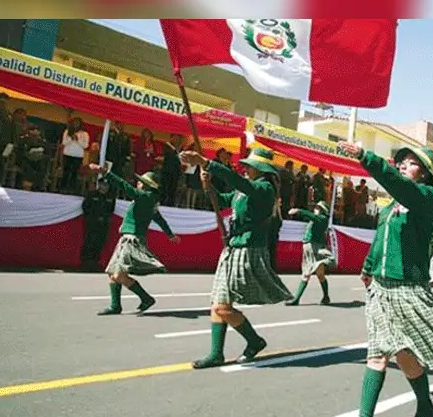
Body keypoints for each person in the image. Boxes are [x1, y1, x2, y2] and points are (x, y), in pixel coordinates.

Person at [337, 140, 433, 417]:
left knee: (404, 356)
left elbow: (401, 187)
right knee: (377, 356)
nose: (403, 165)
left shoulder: (428, 197)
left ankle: (425, 405)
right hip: (380, 287)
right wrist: (368, 267)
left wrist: (366, 157)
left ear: (425, 173)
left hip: (407, 288)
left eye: (412, 163)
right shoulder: (391, 206)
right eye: (401, 161)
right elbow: (380, 239)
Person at [177, 146, 293, 369]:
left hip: (248, 250)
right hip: (232, 248)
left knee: (222, 306)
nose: (246, 169)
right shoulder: (243, 190)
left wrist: (206, 162)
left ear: (263, 170)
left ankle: (254, 340)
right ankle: (216, 353)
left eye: (251, 166)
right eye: (246, 166)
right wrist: (207, 184)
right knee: (218, 303)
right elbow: (220, 200)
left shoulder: (265, 189)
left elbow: (241, 184)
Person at [87, 164, 180, 315]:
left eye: (141, 181)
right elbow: (160, 220)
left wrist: (106, 172)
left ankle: (146, 298)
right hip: (126, 239)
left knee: (119, 275)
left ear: (147, 185)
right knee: (112, 272)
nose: (138, 183)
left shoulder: (145, 197)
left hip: (132, 240)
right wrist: (170, 235)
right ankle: (115, 305)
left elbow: (124, 186)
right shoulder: (149, 200)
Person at [285, 200, 335, 306]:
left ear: (323, 210)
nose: (315, 209)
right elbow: (309, 216)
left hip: (314, 248)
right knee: (320, 274)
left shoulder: (322, 219)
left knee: (307, 273)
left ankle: (296, 298)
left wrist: (299, 210)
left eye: (318, 208)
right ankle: (326, 297)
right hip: (310, 247)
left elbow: (311, 216)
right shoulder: (316, 219)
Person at [80, 180, 117, 271]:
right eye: (103, 184)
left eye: (107, 185)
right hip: (92, 224)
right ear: (99, 185)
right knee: (89, 242)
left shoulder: (110, 197)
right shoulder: (92, 195)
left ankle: (95, 263)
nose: (105, 186)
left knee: (100, 243)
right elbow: (85, 207)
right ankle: (86, 263)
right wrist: (92, 218)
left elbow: (111, 210)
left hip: (103, 224)